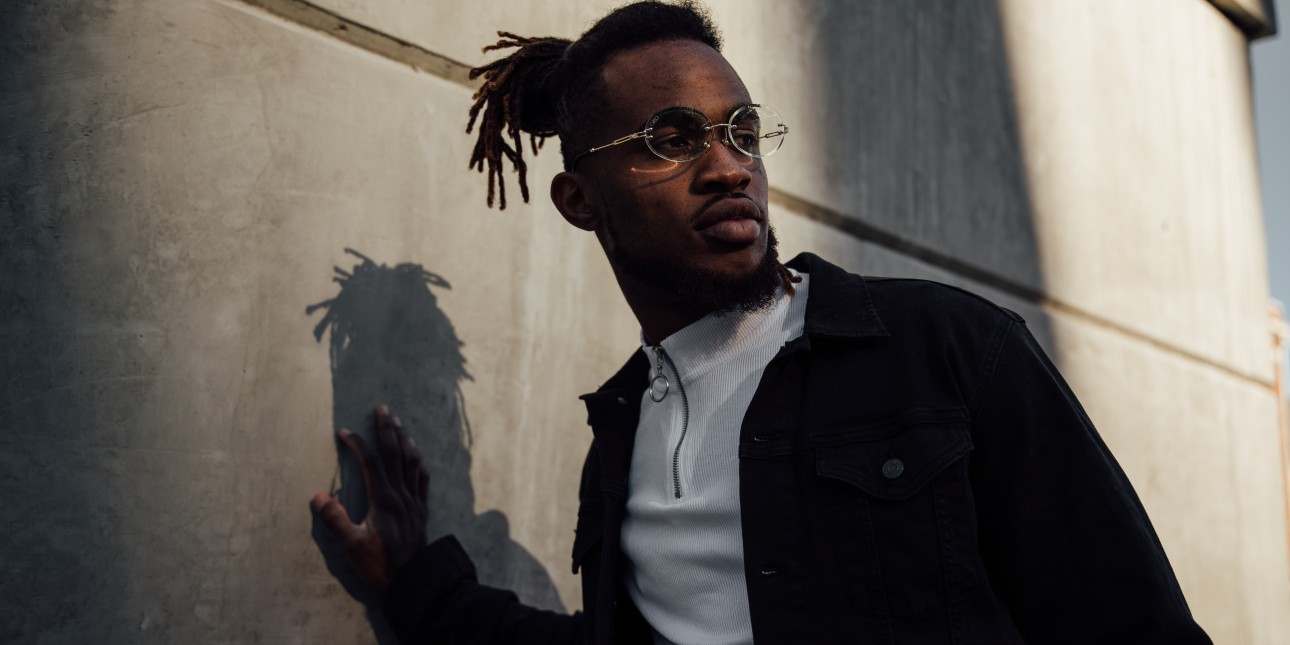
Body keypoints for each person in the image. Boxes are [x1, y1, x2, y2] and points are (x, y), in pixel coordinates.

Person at [310, 2, 1212, 643]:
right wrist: (416, 581)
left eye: (741, 131)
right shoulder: (622, 436)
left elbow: (1133, 624)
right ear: (580, 201)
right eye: (672, 138)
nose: (727, 166)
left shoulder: (949, 350)